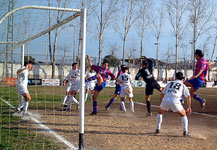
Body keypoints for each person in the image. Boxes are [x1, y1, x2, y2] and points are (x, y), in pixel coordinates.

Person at [155, 72, 192, 137]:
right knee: (183, 114)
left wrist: (161, 103)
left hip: (166, 100)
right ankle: (185, 131)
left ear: (175, 77)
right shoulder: (183, 85)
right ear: (182, 78)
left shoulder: (169, 83)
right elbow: (188, 96)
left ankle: (158, 129)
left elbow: (162, 94)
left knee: (160, 112)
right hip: (175, 101)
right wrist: (189, 107)